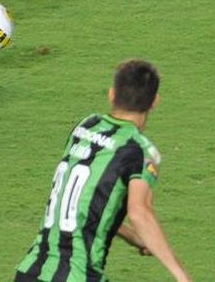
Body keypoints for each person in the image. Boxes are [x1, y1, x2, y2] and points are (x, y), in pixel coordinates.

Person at [14, 59, 193, 282]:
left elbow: (84, 203)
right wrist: (181, 275)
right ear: (154, 101)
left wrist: (133, 237)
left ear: (111, 94)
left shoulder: (85, 127)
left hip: (29, 273)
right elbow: (139, 213)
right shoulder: (140, 150)